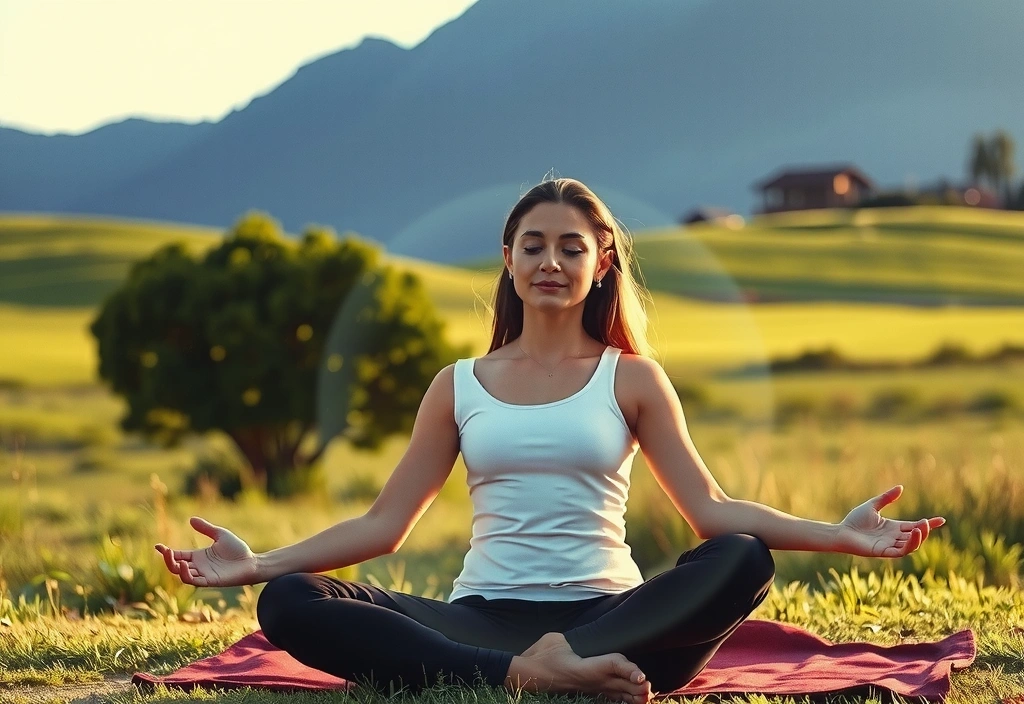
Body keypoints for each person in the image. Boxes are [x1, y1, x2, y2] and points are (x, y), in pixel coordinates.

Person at [156, 178, 946, 702]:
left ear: (602, 264)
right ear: (508, 259)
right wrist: (258, 562)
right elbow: (381, 527)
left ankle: (547, 668)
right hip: (482, 619)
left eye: (572, 247)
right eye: (534, 244)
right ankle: (527, 674)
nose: (551, 262)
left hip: (618, 619)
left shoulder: (633, 379)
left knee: (742, 556)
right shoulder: (457, 384)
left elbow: (711, 510)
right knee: (290, 602)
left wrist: (840, 537)